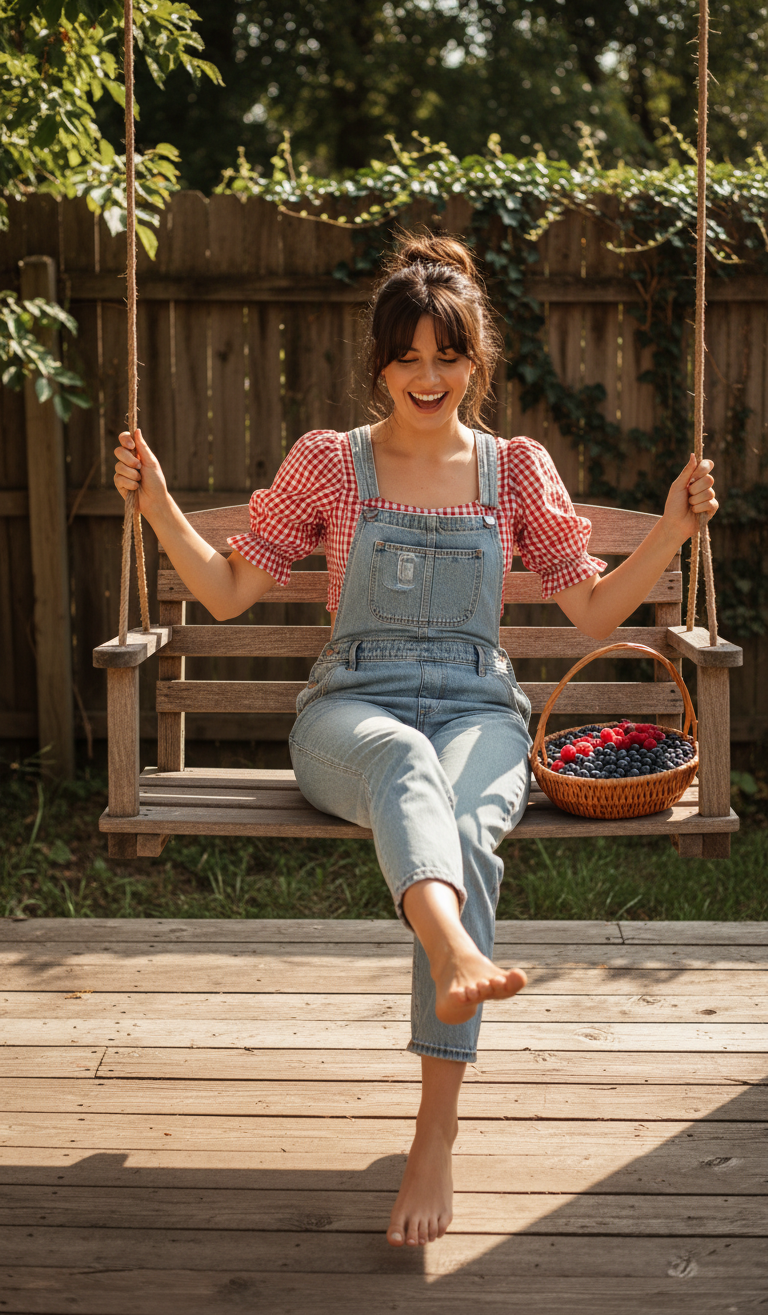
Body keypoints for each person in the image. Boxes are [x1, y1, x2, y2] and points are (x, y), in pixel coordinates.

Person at [113, 231, 718, 1251]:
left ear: (477, 363)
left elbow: (592, 610)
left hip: (481, 708)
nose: (428, 377)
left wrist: (671, 531)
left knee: (469, 819)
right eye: (408, 357)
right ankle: (452, 954)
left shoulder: (514, 471)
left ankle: (434, 1131)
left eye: (448, 356)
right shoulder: (330, 464)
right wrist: (159, 504)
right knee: (406, 766)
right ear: (381, 364)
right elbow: (223, 592)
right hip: (352, 710)